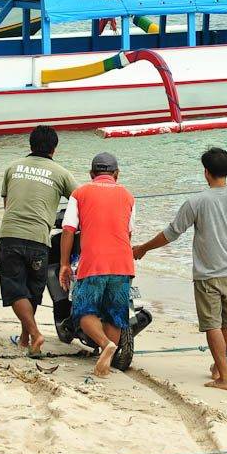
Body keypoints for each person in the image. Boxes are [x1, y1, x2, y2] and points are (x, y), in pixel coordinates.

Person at [133, 148, 227, 391]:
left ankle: (225, 376)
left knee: (212, 325)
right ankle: (219, 366)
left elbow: (171, 234)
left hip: (207, 275)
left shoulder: (196, 202)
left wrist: (143, 248)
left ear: (206, 172)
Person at [0, 125, 78, 356]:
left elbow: (8, 205)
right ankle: (28, 338)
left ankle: (33, 335)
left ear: (30, 145)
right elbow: (82, 200)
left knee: (14, 290)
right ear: (54, 148)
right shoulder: (61, 173)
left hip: (11, 235)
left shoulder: (12, 168)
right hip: (39, 241)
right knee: (32, 291)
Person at [59, 152, 136, 378]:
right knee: (115, 314)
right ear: (116, 174)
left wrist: (65, 264)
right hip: (123, 263)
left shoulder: (80, 193)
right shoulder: (128, 195)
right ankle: (107, 357)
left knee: (83, 310)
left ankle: (105, 344)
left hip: (93, 261)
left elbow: (68, 229)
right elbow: (129, 232)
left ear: (92, 174)